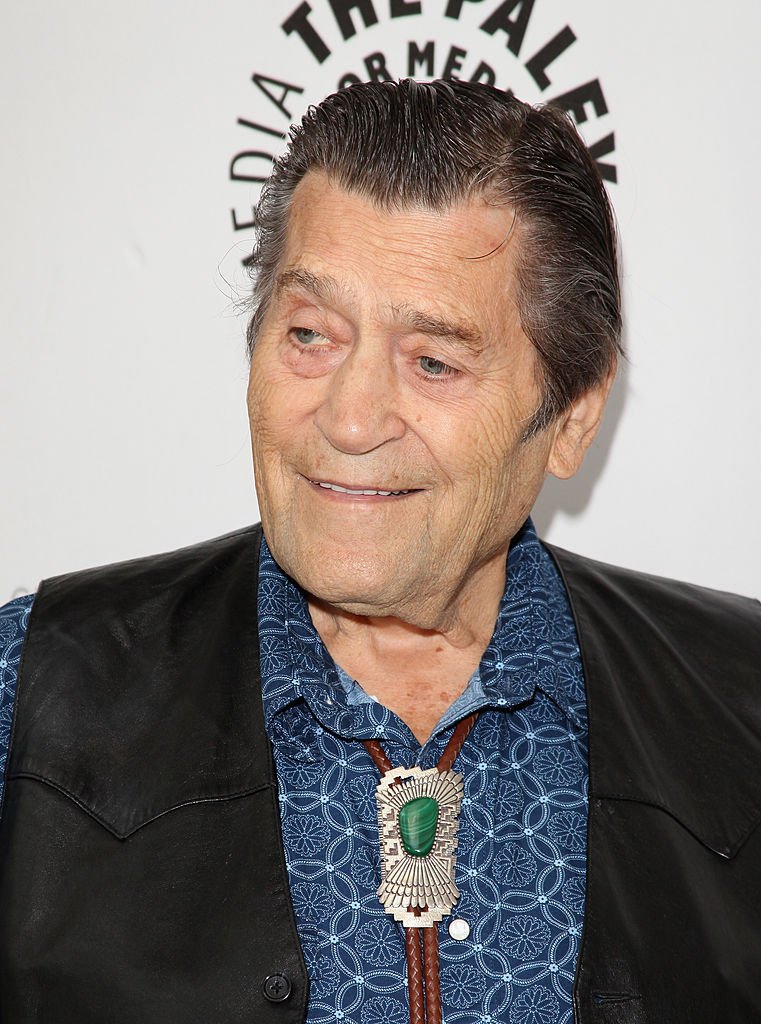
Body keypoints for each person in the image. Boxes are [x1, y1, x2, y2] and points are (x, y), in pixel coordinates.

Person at [0, 78, 759, 1024]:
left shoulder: (741, 703)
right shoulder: (32, 690)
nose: (350, 419)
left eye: (433, 361)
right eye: (310, 335)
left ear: (570, 415)